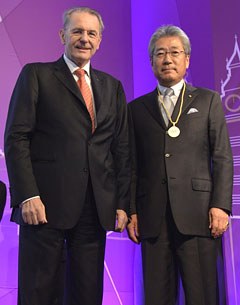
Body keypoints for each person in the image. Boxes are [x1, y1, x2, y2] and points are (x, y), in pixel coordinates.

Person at [4, 7, 130, 305]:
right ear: (63, 35)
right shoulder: (36, 75)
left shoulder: (112, 87)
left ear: (100, 41)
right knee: (39, 292)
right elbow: (16, 138)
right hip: (44, 208)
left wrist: (123, 203)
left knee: (86, 295)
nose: (84, 39)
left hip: (94, 211)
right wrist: (27, 195)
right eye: (77, 31)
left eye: (91, 33)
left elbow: (121, 150)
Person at [127, 25, 233, 305]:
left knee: (202, 294)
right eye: (160, 53)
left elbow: (222, 155)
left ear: (187, 59)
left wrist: (220, 205)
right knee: (157, 296)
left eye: (175, 52)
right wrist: (132, 210)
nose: (167, 59)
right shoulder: (136, 109)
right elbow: (131, 164)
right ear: (151, 62)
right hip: (152, 217)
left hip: (199, 214)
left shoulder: (208, 100)